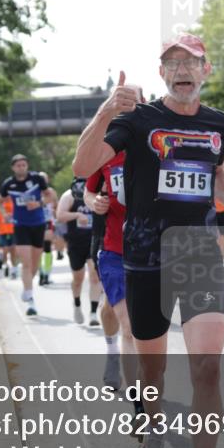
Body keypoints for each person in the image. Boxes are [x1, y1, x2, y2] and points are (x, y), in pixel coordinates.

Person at [72, 33, 224, 448]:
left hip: (198, 254)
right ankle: (152, 425)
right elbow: (82, 164)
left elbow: (215, 170)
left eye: (191, 62)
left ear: (206, 69)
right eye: (172, 62)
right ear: (161, 74)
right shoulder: (137, 122)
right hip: (144, 255)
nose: (182, 70)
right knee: (153, 367)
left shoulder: (219, 123)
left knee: (208, 365)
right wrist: (105, 112)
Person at [86, 151, 139, 399]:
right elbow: (88, 191)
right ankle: (112, 354)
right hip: (110, 243)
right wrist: (94, 202)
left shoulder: (156, 142)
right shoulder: (104, 151)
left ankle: (140, 385)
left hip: (148, 248)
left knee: (127, 316)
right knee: (121, 318)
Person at [0, 155, 53, 315]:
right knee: (26, 263)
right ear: (13, 168)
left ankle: (28, 287)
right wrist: (4, 214)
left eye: (24, 165)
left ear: (27, 166)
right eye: (18, 166)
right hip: (20, 225)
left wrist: (39, 203)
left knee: (34, 265)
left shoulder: (37, 179)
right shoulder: (9, 183)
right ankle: (30, 299)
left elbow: (50, 196)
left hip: (38, 224)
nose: (21, 168)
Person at [56, 178, 103, 326]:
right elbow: (60, 216)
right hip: (75, 243)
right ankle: (77, 305)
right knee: (78, 279)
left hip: (93, 241)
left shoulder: (99, 192)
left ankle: (94, 313)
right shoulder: (69, 195)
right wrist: (77, 215)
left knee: (95, 276)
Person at [0, 195, 17, 278]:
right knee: (5, 250)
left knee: (13, 250)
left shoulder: (14, 202)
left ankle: (14, 269)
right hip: (2, 231)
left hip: (14, 230)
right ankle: (5, 265)